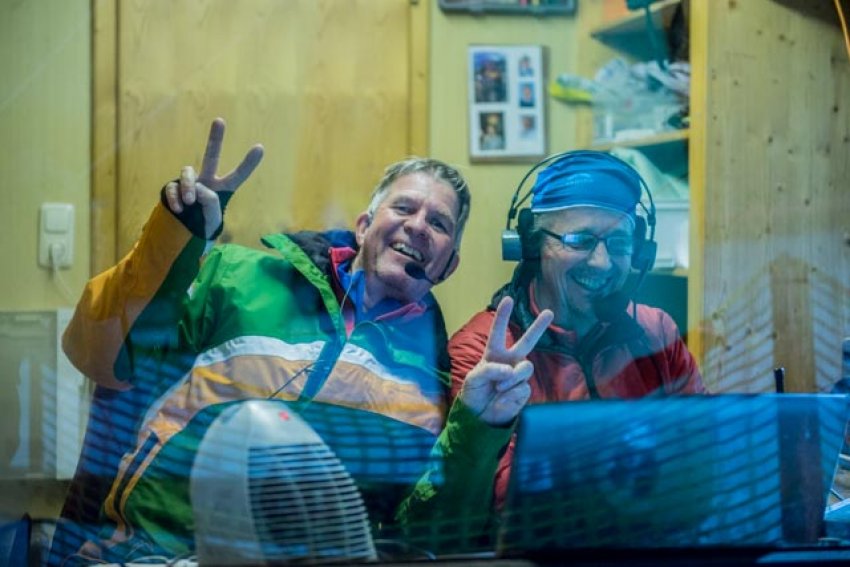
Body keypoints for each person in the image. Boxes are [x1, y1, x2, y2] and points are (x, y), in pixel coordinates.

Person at [51, 118, 552, 564]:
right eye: (404, 207)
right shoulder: (235, 276)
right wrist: (177, 235)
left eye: (439, 224)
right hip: (157, 550)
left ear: (449, 265)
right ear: (363, 227)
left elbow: (425, 535)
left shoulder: (434, 376)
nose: (418, 226)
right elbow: (100, 354)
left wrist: (479, 424)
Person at [448, 150, 706, 515]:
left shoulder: (656, 332)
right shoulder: (481, 352)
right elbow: (491, 501)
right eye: (580, 240)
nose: (602, 262)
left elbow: (704, 459)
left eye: (619, 244)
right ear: (532, 246)